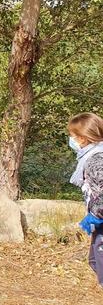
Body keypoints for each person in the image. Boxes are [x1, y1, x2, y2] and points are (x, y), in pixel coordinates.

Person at [67, 113, 103, 287]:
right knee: (94, 260)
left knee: (99, 261)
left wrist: (96, 214)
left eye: (73, 136)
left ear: (83, 138)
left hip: (101, 218)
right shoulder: (93, 155)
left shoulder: (97, 160)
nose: (71, 140)